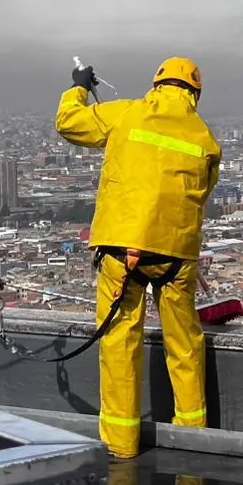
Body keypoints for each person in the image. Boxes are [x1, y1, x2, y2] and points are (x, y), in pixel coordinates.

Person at [55, 57, 222, 459]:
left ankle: (121, 445)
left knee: (119, 342)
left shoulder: (127, 113)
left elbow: (68, 122)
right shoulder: (205, 139)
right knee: (184, 344)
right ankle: (192, 440)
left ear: (157, 83)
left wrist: (79, 85)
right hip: (177, 257)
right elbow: (201, 195)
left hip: (122, 248)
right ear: (195, 94)